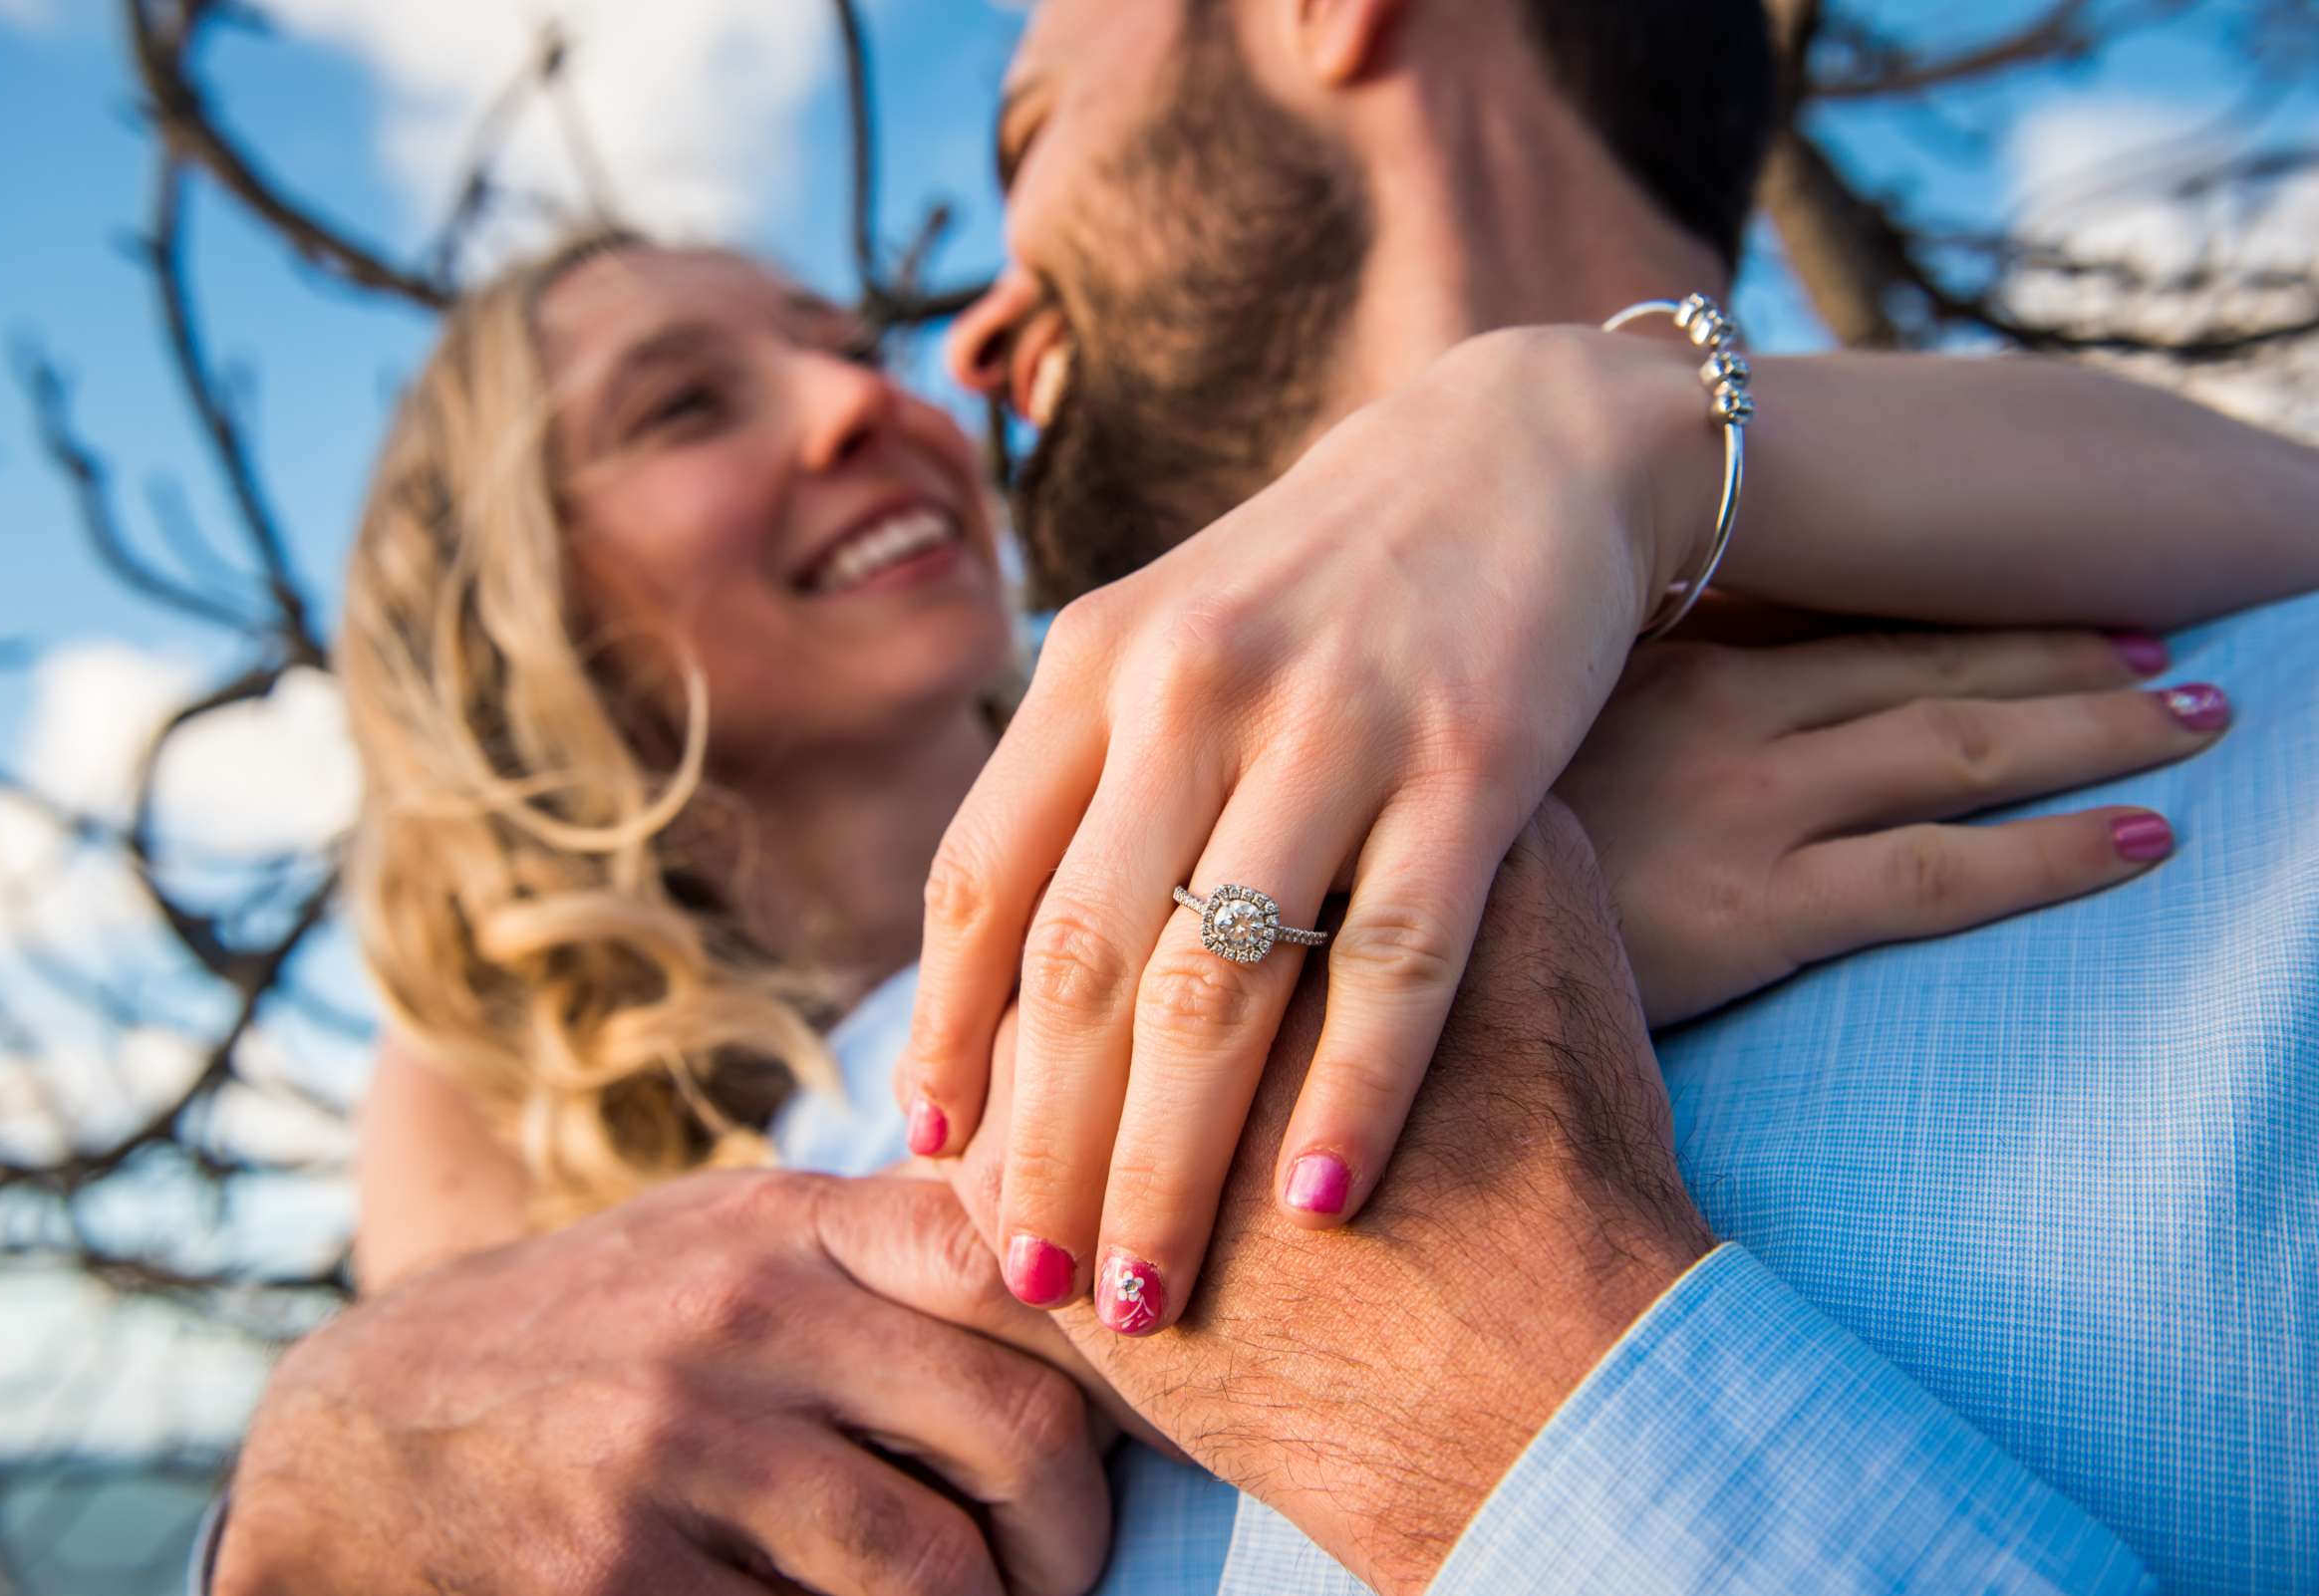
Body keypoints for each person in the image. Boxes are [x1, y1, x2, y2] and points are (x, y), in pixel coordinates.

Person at [204, 5, 2319, 1595]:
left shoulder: (2208, 722)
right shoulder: (723, 1249)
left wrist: (1600, 430)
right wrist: (310, 1474)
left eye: (1027, 136)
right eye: (688, 403)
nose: (942, 358)